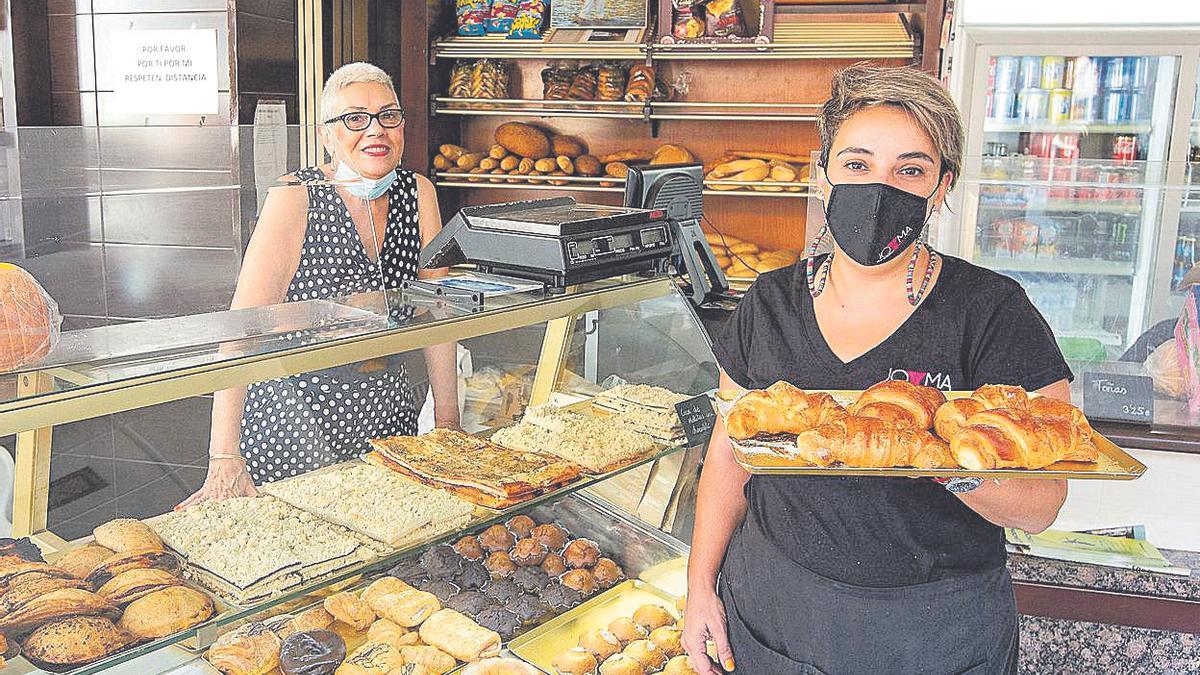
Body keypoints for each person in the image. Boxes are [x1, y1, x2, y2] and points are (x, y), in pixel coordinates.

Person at [682, 65, 1072, 674]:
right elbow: (730, 455)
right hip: (775, 604)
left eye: (910, 170)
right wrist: (699, 585)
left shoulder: (993, 312)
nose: (879, 188)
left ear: (941, 189)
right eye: (857, 164)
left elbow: (1041, 504)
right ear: (824, 174)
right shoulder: (769, 302)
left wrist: (942, 462)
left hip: (932, 627)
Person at [178, 62, 459, 508]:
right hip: (295, 414)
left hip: (388, 412)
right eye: (354, 119)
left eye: (389, 115)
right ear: (327, 135)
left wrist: (447, 423)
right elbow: (241, 329)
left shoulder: (418, 191)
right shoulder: (295, 195)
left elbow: (438, 314)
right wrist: (224, 455)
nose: (375, 130)